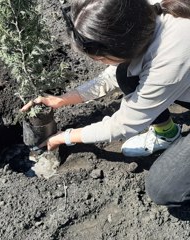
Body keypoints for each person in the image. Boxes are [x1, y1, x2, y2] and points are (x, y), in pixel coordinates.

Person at [21, 0, 190, 208]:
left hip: (179, 70)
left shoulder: (169, 63)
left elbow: (122, 125)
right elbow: (113, 75)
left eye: (100, 59)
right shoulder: (141, 12)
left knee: (164, 188)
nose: (99, 63)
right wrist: (62, 100)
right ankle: (167, 134)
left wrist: (63, 138)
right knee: (124, 75)